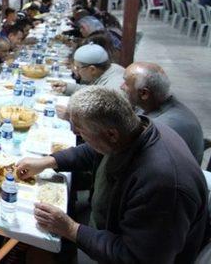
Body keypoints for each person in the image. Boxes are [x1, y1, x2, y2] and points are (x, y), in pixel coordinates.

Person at [15, 87, 209, 263]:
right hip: (107, 223)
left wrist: (71, 229)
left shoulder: (161, 184)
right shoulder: (134, 129)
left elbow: (135, 257)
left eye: (82, 134)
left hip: (125, 252)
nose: (80, 138)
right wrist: (47, 162)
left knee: (39, 248)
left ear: (111, 135)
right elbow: (94, 150)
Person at [121, 62, 204, 164]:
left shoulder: (164, 127)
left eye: (126, 83)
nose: (121, 86)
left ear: (144, 93)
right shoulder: (150, 105)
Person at [51, 43, 124, 97]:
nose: (77, 71)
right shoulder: (111, 68)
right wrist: (67, 88)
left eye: (78, 68)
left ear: (92, 69)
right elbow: (94, 91)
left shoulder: (113, 89)